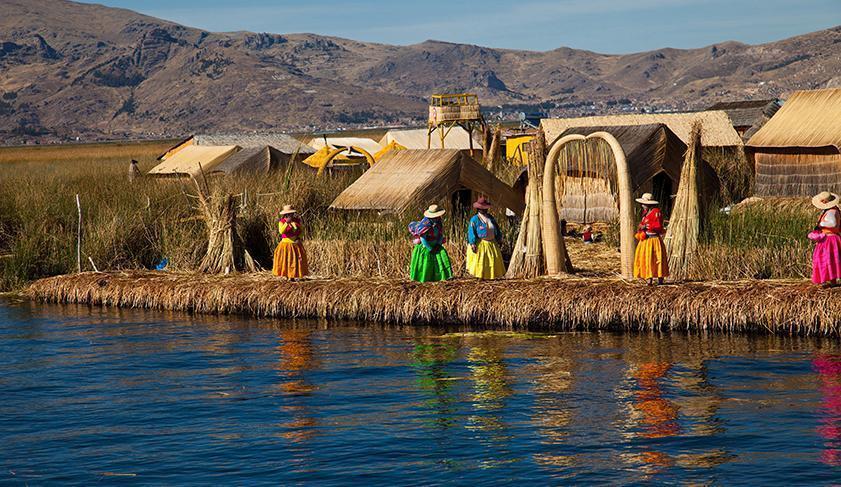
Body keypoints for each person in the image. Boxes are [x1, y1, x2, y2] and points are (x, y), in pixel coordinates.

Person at [408, 205, 453, 282]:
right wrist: (430, 248)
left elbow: (440, 234)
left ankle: (440, 278)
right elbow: (423, 238)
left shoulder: (438, 222)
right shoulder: (425, 224)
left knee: (440, 261)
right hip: (426, 247)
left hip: (436, 245)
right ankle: (424, 278)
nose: (437, 218)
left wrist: (438, 244)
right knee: (426, 263)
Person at [633, 193, 669, 285]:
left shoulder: (656, 212)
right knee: (646, 259)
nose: (642, 205)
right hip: (645, 239)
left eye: (644, 204)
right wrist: (641, 226)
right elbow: (642, 224)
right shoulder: (646, 213)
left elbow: (658, 226)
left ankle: (660, 280)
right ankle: (649, 280)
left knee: (657, 259)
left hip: (654, 240)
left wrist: (646, 226)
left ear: (649, 204)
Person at [466, 196, 505, 279]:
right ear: (478, 209)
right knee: (481, 262)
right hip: (481, 244)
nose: (484, 210)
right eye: (482, 208)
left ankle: (491, 277)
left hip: (492, 243)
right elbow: (471, 231)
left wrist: (499, 238)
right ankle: (480, 277)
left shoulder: (490, 218)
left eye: (485, 208)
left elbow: (496, 229)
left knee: (492, 261)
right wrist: (472, 243)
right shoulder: (475, 219)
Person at [809, 191, 841, 287]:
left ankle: (830, 281)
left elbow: (833, 223)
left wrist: (821, 224)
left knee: (826, 259)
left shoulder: (831, 211)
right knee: (829, 259)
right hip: (831, 238)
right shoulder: (834, 210)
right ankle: (831, 281)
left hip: (829, 240)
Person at [272, 205, 308, 279]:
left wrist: (299, 238)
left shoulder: (297, 221)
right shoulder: (282, 222)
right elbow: (281, 231)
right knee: (286, 260)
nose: (290, 215)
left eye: (291, 214)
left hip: (295, 244)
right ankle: (287, 275)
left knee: (295, 261)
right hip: (285, 245)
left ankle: (293, 275)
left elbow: (302, 231)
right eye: (288, 214)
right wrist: (286, 223)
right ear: (285, 214)